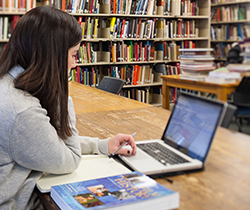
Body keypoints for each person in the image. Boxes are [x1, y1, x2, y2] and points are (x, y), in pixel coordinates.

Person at [0, 6, 136, 209]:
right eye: (73, 55)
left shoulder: (8, 82)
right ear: (52, 57)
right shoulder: (22, 111)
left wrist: (100, 145)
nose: (75, 64)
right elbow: (70, 159)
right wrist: (61, 95)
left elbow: (46, 141)